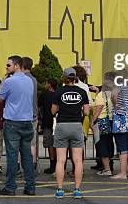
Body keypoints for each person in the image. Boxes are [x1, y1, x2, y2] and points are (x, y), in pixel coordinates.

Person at [0, 55, 35, 196]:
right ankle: (30, 186)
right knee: (27, 156)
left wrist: (3, 79)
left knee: (12, 156)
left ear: (16, 65)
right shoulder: (29, 81)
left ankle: (11, 187)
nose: (6, 68)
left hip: (13, 122)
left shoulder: (9, 81)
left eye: (8, 65)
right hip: (27, 122)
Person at [52, 68, 90, 199]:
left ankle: (60, 189)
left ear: (64, 78)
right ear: (75, 78)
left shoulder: (59, 92)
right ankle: (77, 190)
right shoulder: (82, 92)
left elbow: (53, 111)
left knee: (61, 160)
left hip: (62, 125)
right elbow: (86, 112)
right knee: (78, 160)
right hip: (76, 126)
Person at [91, 72, 115, 176]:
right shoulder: (114, 93)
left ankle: (107, 169)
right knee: (109, 143)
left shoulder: (101, 95)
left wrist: (92, 121)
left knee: (102, 144)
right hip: (111, 120)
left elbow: (99, 108)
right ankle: (109, 166)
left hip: (101, 121)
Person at [21, 57, 39, 168]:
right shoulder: (34, 79)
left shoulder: (22, 79)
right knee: (32, 143)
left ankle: (19, 166)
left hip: (23, 115)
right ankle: (32, 165)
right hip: (33, 114)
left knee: (19, 143)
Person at [40, 78, 58, 174]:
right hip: (58, 122)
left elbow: (40, 106)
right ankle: (59, 164)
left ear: (49, 85)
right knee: (58, 144)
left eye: (46, 83)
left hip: (47, 122)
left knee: (50, 144)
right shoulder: (58, 94)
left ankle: (52, 165)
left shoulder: (44, 95)